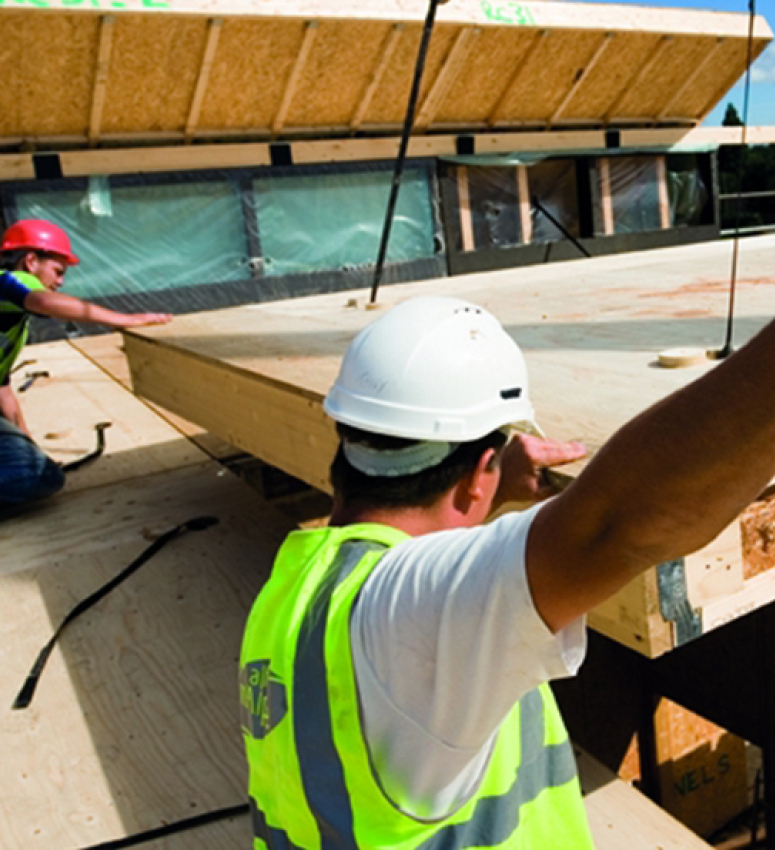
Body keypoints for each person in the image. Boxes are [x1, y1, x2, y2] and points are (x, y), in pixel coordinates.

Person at [240, 294, 775, 849]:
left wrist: (486, 493)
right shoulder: (408, 621)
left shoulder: (295, 587)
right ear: (477, 473)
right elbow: (621, 523)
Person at [0, 218, 171, 507]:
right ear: (30, 261)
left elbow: (2, 389)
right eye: (57, 271)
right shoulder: (7, 281)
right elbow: (43, 302)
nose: (61, 282)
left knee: (41, 469)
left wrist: (33, 447)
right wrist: (124, 319)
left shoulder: (11, 320)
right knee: (34, 478)